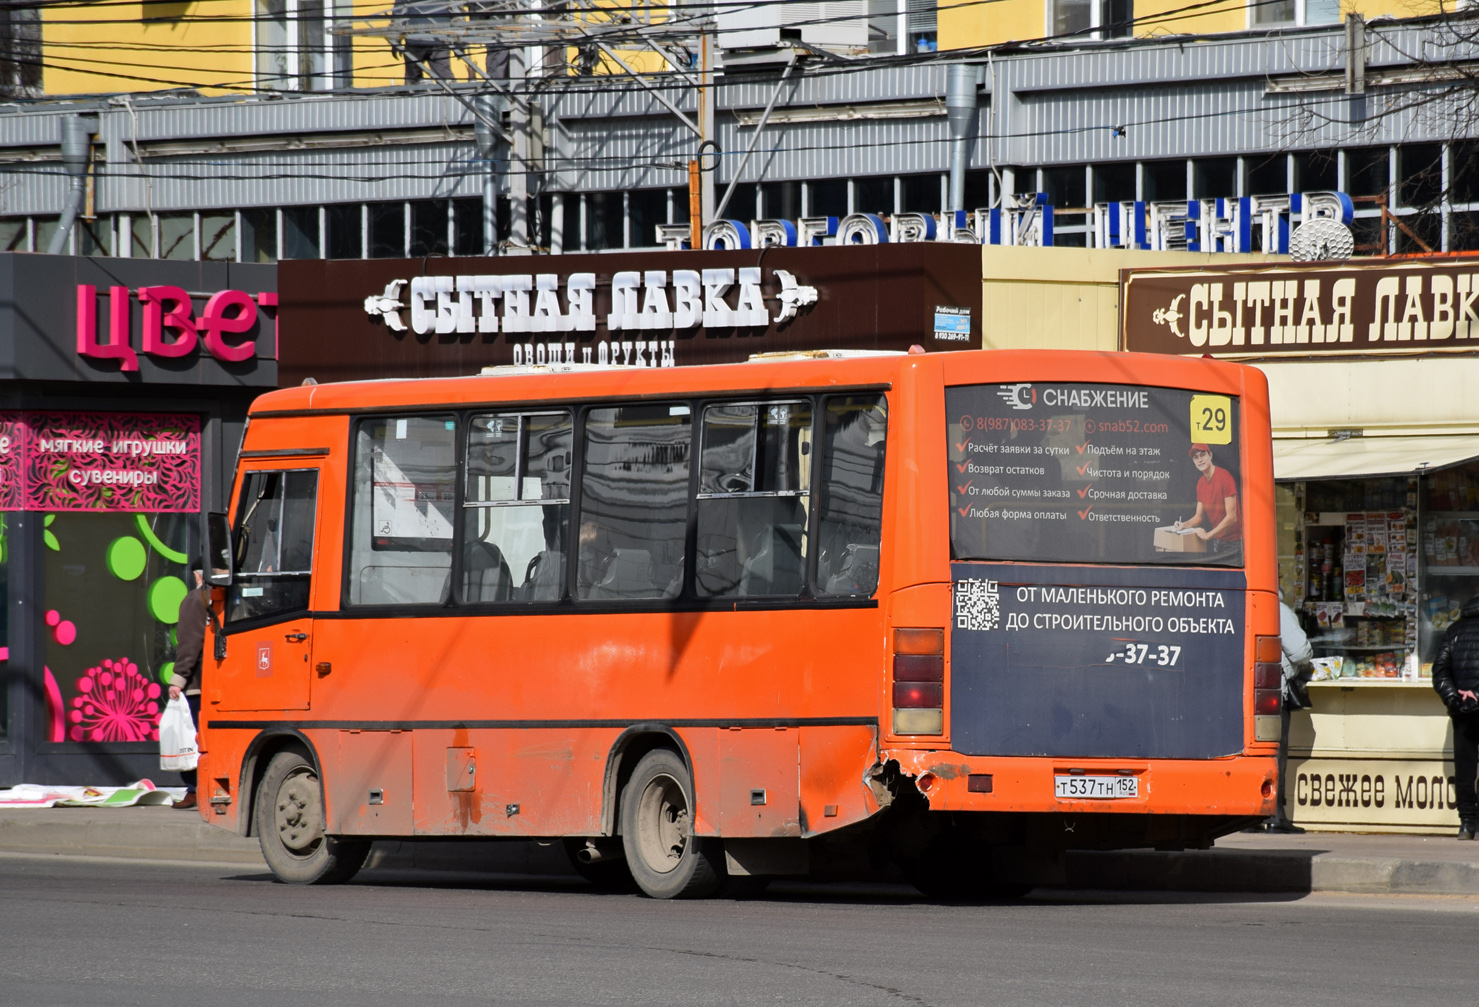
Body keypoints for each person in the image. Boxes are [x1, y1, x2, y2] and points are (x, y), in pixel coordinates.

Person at [1432, 595, 1479, 839]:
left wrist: (1454, 699)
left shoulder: (1454, 630)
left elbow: (1440, 671)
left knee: (1465, 769)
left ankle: (1467, 823)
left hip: (1461, 712)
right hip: (1472, 704)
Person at [1270, 591, 1313, 833]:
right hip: (1274, 692)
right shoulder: (1279, 610)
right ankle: (1276, 815)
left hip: (1246, 692)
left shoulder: (1245, 603)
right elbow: (1300, 651)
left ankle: (1254, 817)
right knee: (1277, 752)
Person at [169, 564, 209, 810]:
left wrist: (178, 679)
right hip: (222, 683)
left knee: (192, 738)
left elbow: (190, 642)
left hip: (197, 684)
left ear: (196, 575)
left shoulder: (196, 599)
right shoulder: (231, 598)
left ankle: (195, 789)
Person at [1173, 443, 1240, 555]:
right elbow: (1198, 517)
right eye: (1196, 457)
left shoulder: (1224, 477)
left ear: (1210, 455)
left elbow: (1232, 517)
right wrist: (1184, 525)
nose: (1200, 460)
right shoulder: (1200, 484)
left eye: (1203, 455)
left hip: (1234, 543)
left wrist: (1208, 535)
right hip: (1217, 542)